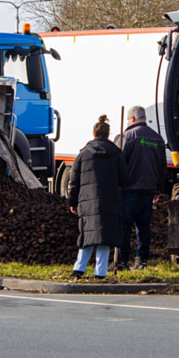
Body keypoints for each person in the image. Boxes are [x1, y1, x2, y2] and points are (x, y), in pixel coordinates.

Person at [68, 115, 130, 279]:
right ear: (108, 134)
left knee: (87, 234)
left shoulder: (83, 154)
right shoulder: (116, 154)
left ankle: (78, 269)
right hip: (110, 201)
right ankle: (100, 273)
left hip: (87, 201)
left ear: (94, 134)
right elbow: (125, 180)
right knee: (105, 237)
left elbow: (74, 181)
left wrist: (72, 202)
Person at [116, 106, 167, 271]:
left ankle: (122, 261)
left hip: (129, 191)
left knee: (124, 226)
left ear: (131, 119)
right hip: (149, 191)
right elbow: (162, 167)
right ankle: (141, 260)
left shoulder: (127, 137)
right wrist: (158, 189)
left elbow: (118, 163)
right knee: (144, 227)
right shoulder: (157, 138)